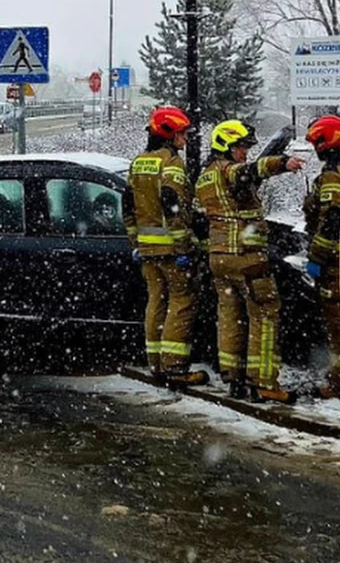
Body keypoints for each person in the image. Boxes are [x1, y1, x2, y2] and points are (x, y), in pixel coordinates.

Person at [195, 119, 305, 403]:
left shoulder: (204, 176)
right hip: (245, 256)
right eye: (240, 147)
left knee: (229, 315)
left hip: (219, 258)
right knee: (266, 312)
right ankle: (264, 381)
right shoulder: (229, 170)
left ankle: (234, 377)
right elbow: (250, 171)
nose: (244, 152)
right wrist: (282, 163)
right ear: (225, 146)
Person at [123, 106, 205, 389]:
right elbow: (172, 205)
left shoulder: (138, 163)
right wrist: (183, 246)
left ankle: (156, 364)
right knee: (181, 303)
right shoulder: (171, 164)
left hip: (147, 251)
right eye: (182, 133)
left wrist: (136, 241)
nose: (185, 139)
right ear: (169, 135)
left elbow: (128, 205)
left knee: (156, 302)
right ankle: (175, 367)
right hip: (171, 250)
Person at [303, 115, 340, 400]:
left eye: (317, 144)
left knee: (339, 327)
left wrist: (316, 256)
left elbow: (331, 223)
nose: (316, 150)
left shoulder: (334, 175)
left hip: (334, 264)